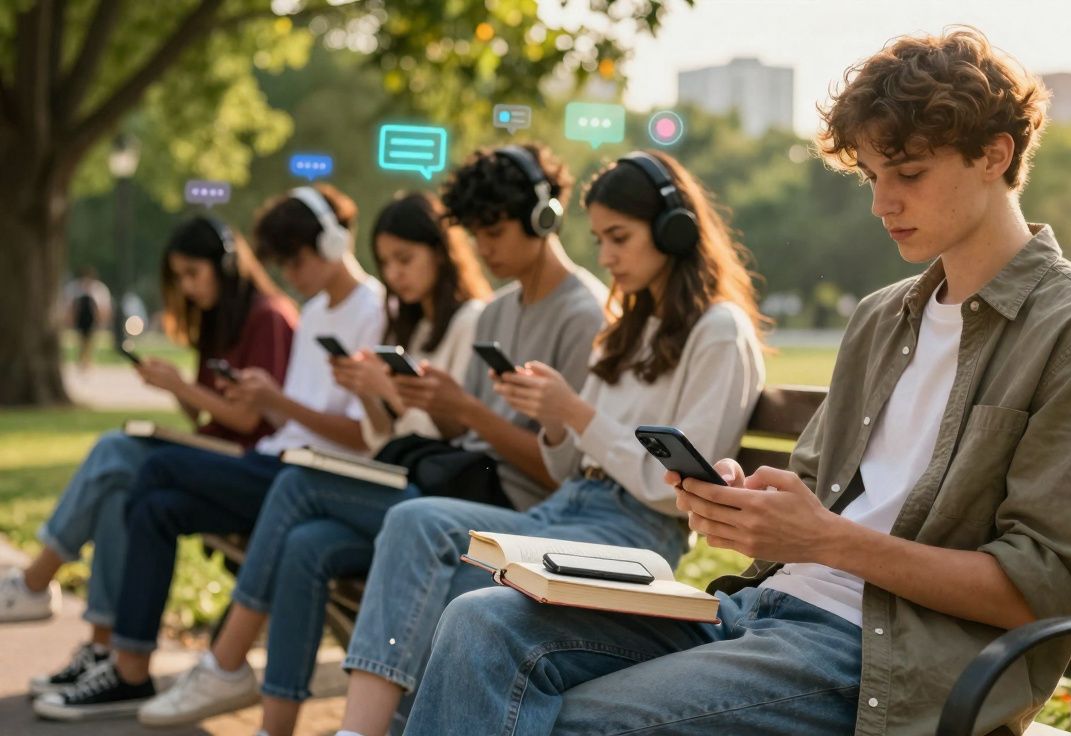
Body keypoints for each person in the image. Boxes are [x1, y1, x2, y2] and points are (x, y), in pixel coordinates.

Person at [405, 28, 1071, 736]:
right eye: (872, 174)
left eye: (910, 173)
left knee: (575, 720)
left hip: (880, 657)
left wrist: (828, 542)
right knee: (483, 624)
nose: (880, 202)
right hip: (763, 609)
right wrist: (741, 500)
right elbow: (809, 497)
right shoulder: (883, 318)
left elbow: (1038, 589)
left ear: (995, 154)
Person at [132, 146, 608, 734]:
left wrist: (459, 412)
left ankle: (226, 665)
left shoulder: (580, 314)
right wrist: (413, 401)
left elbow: (557, 472)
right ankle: (273, 724)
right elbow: (462, 435)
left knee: (298, 483)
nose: (485, 249)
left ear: (544, 217)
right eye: (476, 235)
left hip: (506, 510)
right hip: (457, 483)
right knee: (307, 544)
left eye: (495, 232)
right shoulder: (499, 312)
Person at [329, 149, 767, 736]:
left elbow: (676, 491)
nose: (607, 257)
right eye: (600, 240)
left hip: (630, 532)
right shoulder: (631, 326)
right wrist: (557, 423)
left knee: (455, 592)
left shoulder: (718, 330)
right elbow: (568, 469)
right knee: (413, 521)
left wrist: (579, 414)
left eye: (620, 238)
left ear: (674, 229)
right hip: (563, 511)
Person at [33, 185, 387, 721]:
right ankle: (129, 668)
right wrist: (264, 399)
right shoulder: (315, 312)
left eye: (296, 258)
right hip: (274, 460)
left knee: (150, 466)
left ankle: (126, 646)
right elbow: (278, 418)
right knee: (154, 506)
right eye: (282, 262)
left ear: (334, 242)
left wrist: (272, 400)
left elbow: (365, 436)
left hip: (309, 477)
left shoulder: (372, 310)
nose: (291, 273)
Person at [3, 216, 297, 690]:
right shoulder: (220, 321)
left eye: (192, 274)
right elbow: (210, 416)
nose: (187, 287)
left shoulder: (270, 317)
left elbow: (251, 420)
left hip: (251, 467)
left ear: (224, 266)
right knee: (122, 486)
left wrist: (181, 385)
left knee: (116, 449)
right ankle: (105, 650)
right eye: (178, 277)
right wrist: (174, 390)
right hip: (213, 452)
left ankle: (36, 582)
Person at [65, 266, 111, 371]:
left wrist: (102, 320)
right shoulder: (75, 290)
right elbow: (72, 307)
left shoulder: (98, 290)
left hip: (91, 320)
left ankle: (87, 360)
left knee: (90, 341)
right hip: (81, 320)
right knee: (81, 340)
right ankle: (83, 360)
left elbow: (101, 308)